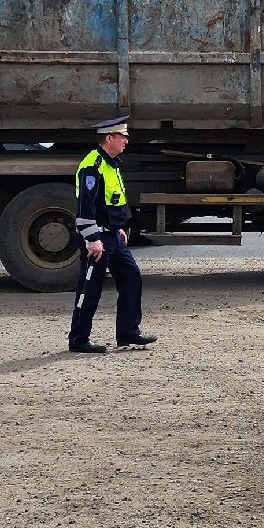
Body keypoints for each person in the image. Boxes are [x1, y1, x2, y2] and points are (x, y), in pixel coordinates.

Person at [68, 116, 156, 353]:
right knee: (90, 288)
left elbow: (109, 202)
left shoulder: (111, 164)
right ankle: (78, 339)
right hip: (97, 239)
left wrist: (117, 229)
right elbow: (85, 207)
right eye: (123, 137)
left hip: (113, 237)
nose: (127, 141)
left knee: (132, 277)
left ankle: (129, 332)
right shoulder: (93, 165)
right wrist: (92, 238)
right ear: (109, 138)